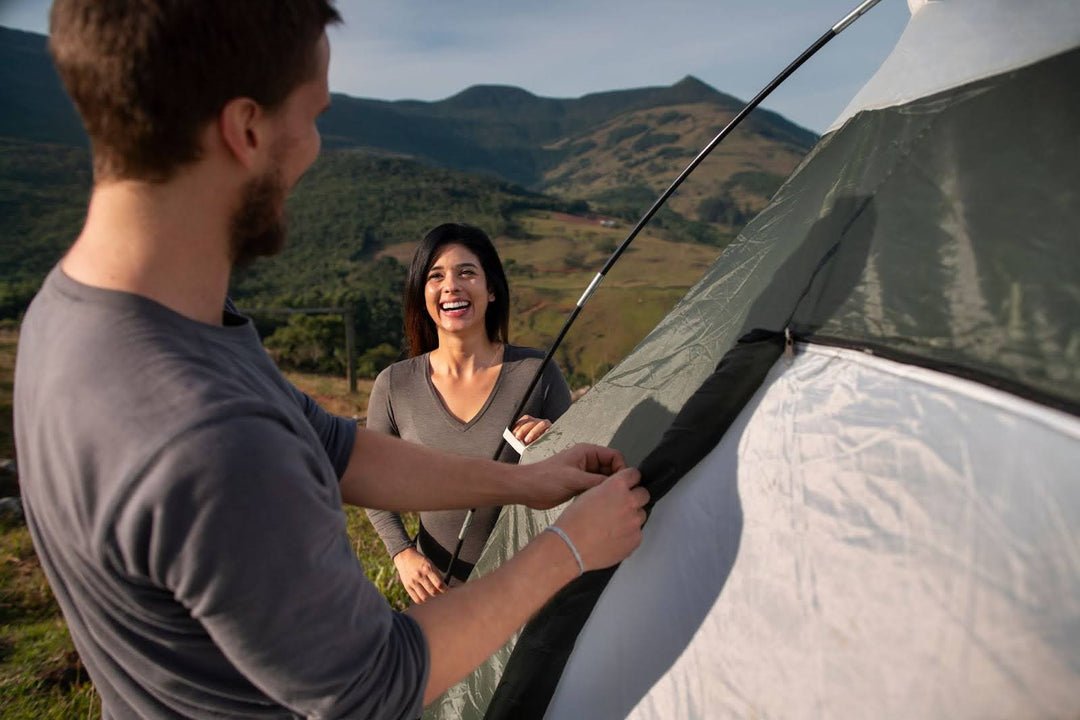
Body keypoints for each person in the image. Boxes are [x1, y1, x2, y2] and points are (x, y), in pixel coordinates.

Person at [12, 2, 649, 718]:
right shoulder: (209, 439)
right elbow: (373, 687)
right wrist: (568, 547)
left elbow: (338, 448)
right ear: (246, 130)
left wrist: (532, 486)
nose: (315, 147)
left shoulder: (75, 314)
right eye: (312, 114)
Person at [366, 223, 572, 602]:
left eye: (466, 273)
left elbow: (579, 475)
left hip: (532, 591)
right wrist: (403, 553)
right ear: (421, 293)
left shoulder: (537, 372)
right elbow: (370, 479)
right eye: (436, 276)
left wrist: (553, 440)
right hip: (441, 601)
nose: (451, 286)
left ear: (491, 290)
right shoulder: (395, 385)